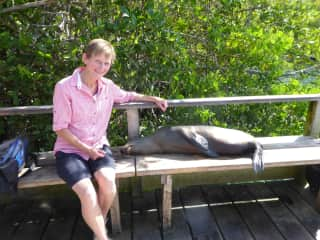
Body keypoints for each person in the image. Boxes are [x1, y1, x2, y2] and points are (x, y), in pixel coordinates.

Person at [52, 38, 167, 240]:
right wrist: (86, 150)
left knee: (108, 182)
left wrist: (153, 98)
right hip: (70, 151)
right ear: (85, 58)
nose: (102, 67)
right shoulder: (64, 87)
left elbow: (128, 96)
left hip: (98, 147)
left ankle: (99, 224)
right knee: (87, 192)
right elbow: (60, 128)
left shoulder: (107, 86)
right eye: (98, 61)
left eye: (106, 63)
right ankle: (102, 237)